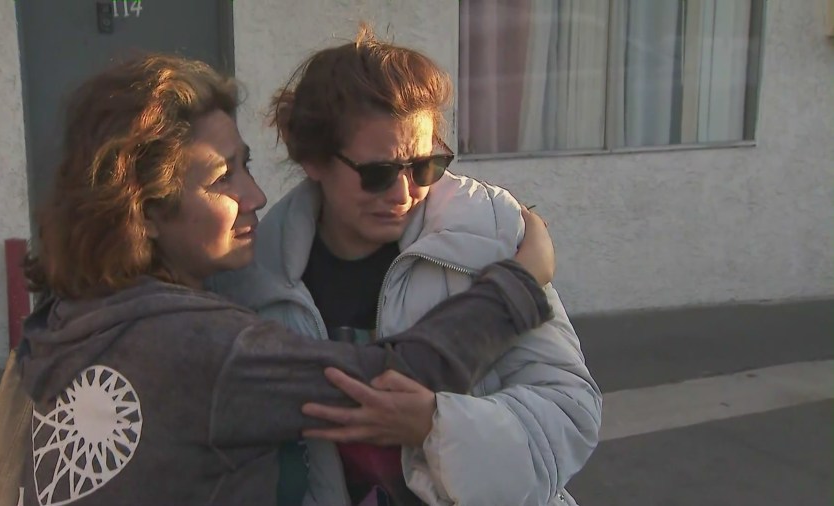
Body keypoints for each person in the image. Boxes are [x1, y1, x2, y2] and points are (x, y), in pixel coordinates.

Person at [14, 53, 557, 506]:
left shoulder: (68, 323)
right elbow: (390, 382)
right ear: (145, 210)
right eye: (223, 177)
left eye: (424, 166)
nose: (255, 196)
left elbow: (562, 409)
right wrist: (520, 283)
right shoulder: (203, 344)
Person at [211, 26, 602, 506]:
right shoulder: (254, 276)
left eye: (424, 167)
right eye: (377, 174)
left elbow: (571, 411)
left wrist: (436, 425)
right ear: (312, 159)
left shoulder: (489, 229)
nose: (403, 196)